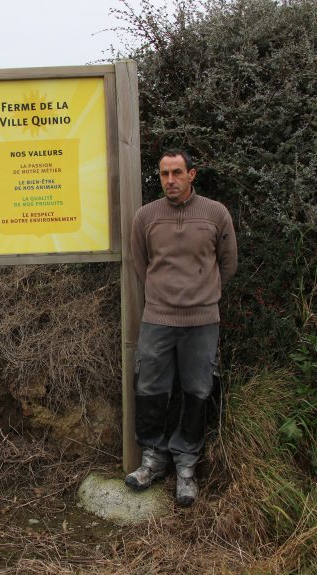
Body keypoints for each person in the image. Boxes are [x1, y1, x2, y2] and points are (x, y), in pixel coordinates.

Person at [126, 149, 237, 506]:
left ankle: (186, 466)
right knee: (149, 389)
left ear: (192, 174)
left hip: (202, 321)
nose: (170, 180)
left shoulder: (216, 213)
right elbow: (141, 264)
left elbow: (228, 263)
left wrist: (202, 294)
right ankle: (153, 460)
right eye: (163, 174)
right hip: (157, 318)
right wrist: (163, 297)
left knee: (197, 391)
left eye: (176, 173)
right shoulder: (146, 217)